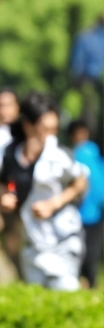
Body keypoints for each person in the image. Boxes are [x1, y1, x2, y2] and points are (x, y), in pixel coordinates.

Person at [0, 93, 87, 291]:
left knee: (65, 291)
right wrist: (4, 197)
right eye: (45, 129)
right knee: (36, 299)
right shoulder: (12, 154)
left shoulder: (60, 155)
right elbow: (2, 183)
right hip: (32, 243)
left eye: (54, 129)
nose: (51, 135)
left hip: (63, 239)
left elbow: (81, 182)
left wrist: (54, 203)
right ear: (28, 126)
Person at [68, 119, 104, 287]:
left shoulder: (89, 154)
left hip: (93, 214)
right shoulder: (74, 156)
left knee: (88, 257)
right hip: (79, 214)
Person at [70, 14, 104, 149]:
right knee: (90, 117)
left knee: (91, 118)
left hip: (92, 82)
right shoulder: (86, 37)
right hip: (90, 82)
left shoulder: (85, 37)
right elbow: (77, 66)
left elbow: (76, 66)